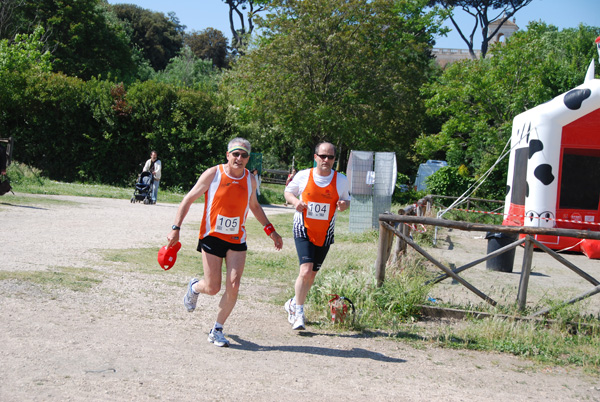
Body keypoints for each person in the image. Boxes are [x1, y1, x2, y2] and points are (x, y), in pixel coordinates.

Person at [166, 138, 283, 347]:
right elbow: (188, 199)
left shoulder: (250, 180)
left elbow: (254, 206)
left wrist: (271, 230)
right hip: (212, 236)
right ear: (228, 155)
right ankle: (194, 287)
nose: (239, 158)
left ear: (248, 159)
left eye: (244, 155)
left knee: (234, 285)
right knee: (212, 288)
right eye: (235, 154)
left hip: (237, 239)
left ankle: (217, 329)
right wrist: (176, 229)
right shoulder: (214, 174)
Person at [283, 142, 350, 330]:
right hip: (303, 228)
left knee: (311, 275)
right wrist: (295, 201)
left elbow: (346, 199)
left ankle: (292, 303)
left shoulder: (341, 180)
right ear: (315, 157)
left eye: (330, 157)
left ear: (334, 160)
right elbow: (288, 192)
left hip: (326, 231)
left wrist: (344, 204)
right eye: (322, 156)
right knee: (305, 270)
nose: (326, 160)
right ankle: (298, 313)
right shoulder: (304, 175)